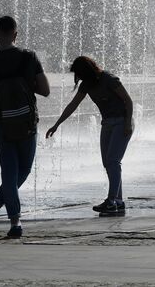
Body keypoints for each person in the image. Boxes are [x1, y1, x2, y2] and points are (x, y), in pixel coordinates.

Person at [0, 16, 50, 239]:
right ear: (16, 34)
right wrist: (24, 85)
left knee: (9, 171)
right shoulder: (29, 57)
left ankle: (10, 220)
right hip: (27, 123)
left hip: (2, 124)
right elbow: (45, 90)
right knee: (22, 171)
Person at [46, 56, 134, 215]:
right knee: (108, 163)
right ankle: (118, 201)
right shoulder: (86, 84)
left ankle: (111, 201)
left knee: (113, 161)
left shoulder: (108, 79)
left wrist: (128, 123)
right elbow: (73, 105)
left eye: (79, 74)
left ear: (86, 71)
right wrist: (57, 124)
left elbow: (128, 101)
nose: (77, 78)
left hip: (122, 122)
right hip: (107, 123)